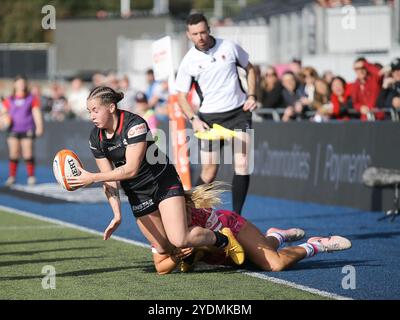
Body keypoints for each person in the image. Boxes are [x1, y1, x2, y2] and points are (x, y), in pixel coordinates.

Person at [66, 86, 245, 266]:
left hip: (163, 182)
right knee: (164, 249)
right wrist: (117, 214)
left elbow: (131, 169)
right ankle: (192, 254)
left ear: (111, 107)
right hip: (137, 192)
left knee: (180, 239)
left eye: (95, 111)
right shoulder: (95, 137)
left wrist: (92, 177)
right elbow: (109, 178)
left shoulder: (134, 124)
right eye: (89, 112)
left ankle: (224, 239)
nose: (92, 117)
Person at [152, 182, 352, 275]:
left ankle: (315, 245)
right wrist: (178, 256)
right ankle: (276, 236)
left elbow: (225, 241)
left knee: (274, 264)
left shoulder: (193, 213)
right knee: (253, 260)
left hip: (229, 229)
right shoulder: (157, 225)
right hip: (220, 252)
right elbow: (160, 268)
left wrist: (195, 247)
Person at [175, 13, 258, 215]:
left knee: (242, 163)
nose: (200, 37)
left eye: (203, 32)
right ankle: (192, 212)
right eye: (195, 34)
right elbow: (181, 96)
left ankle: (237, 216)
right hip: (209, 119)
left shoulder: (229, 47)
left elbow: (251, 68)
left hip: (238, 112)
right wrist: (193, 119)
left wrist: (252, 94)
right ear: (188, 35)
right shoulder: (189, 61)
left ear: (209, 30)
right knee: (209, 171)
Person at [1, 75, 44, 186]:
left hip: (27, 128)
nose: (21, 85)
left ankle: (31, 176)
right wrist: (3, 121)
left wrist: (39, 126)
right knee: (14, 153)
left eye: (23, 83)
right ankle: (12, 177)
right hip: (13, 130)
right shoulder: (9, 99)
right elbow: (3, 113)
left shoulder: (31, 98)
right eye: (19, 83)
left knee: (27, 153)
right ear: (15, 84)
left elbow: (36, 113)